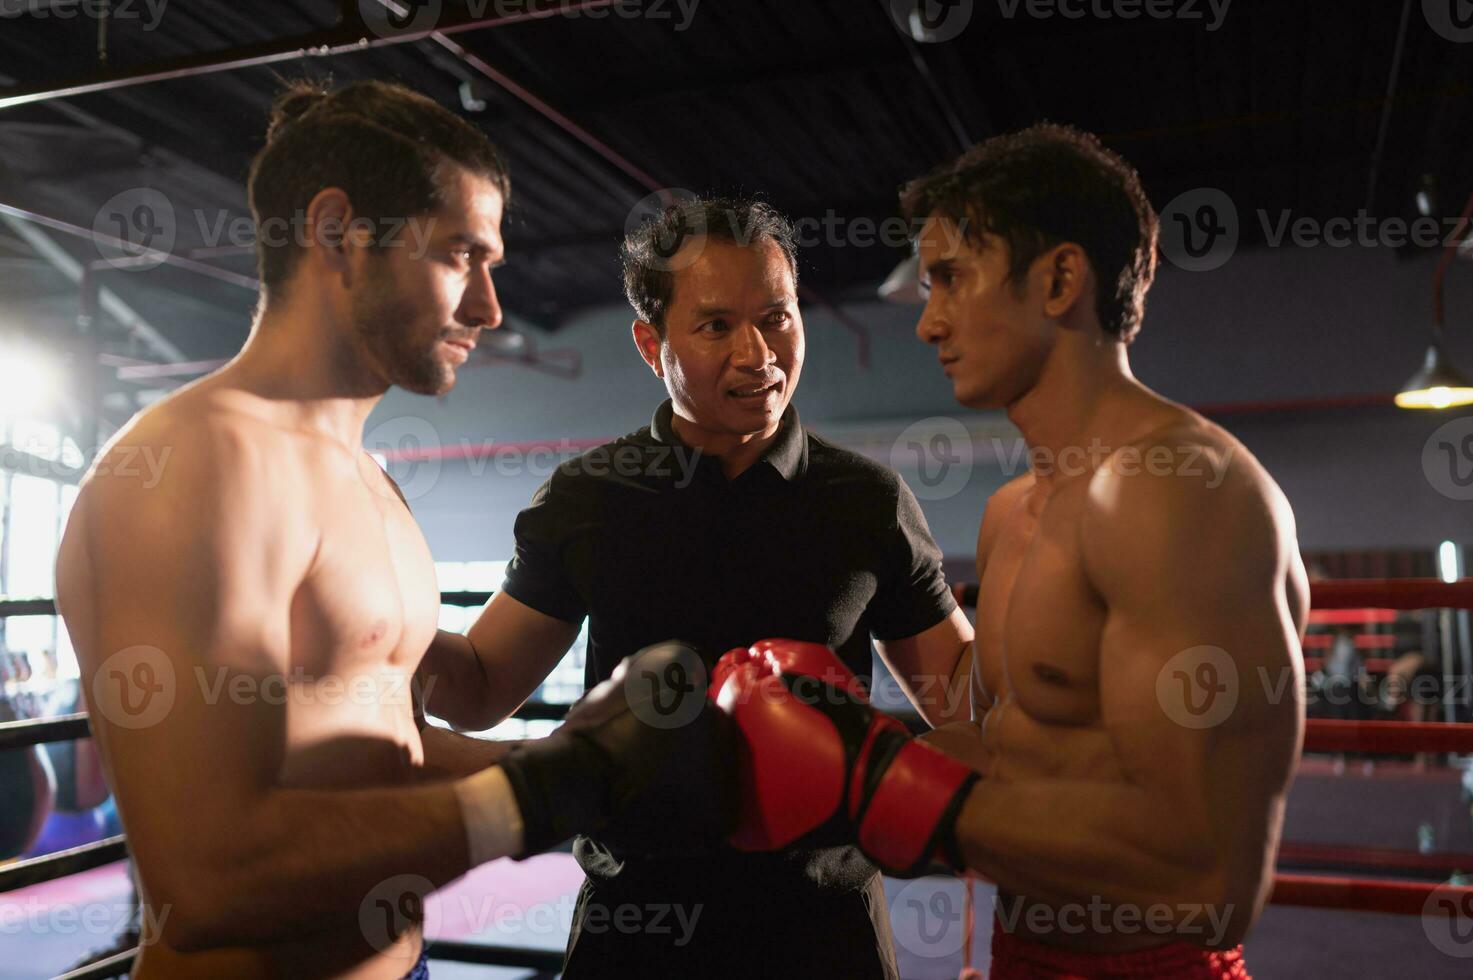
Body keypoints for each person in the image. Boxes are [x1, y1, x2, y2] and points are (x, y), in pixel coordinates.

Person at [52, 80, 731, 980]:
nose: (490, 308)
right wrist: (537, 793)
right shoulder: (195, 465)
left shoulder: (369, 482)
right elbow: (209, 877)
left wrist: (575, 759)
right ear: (337, 230)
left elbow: (385, 749)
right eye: (461, 254)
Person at [714, 125, 1307, 979]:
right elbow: (1015, 752)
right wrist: (839, 737)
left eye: (951, 279)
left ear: (1060, 279)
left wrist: (872, 783)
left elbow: (1209, 876)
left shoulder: (1182, 491)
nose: (927, 323)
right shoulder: (1012, 514)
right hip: (1019, 955)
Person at [417, 196, 975, 978]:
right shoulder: (590, 497)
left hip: (825, 932)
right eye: (716, 326)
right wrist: (365, 636)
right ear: (651, 344)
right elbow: (477, 688)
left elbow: (964, 702)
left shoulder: (866, 501)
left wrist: (1050, 584)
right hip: (635, 927)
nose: (759, 354)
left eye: (777, 317)